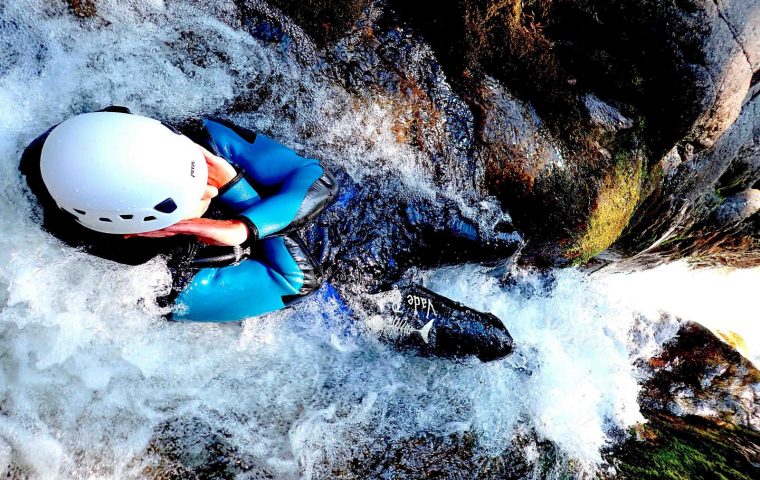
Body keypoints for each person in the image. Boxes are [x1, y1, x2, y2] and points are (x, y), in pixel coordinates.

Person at [19, 106, 338, 322]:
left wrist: (243, 225)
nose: (211, 187)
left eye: (202, 177)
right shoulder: (155, 284)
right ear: (138, 231)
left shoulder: (144, 139)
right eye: (193, 196)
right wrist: (238, 196)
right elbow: (297, 282)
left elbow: (317, 180)